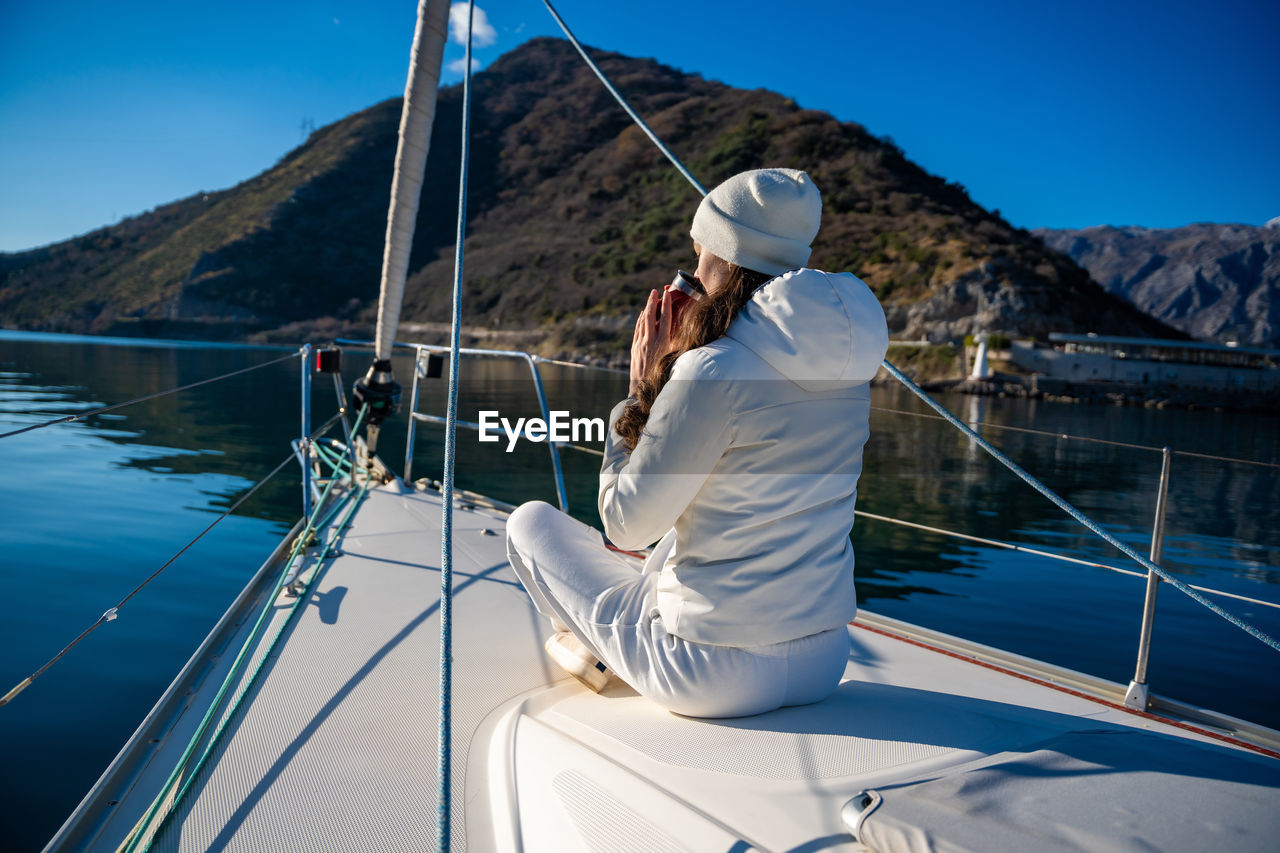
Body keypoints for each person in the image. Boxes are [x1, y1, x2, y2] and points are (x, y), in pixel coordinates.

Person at [505, 168, 889, 718]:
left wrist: (640, 396)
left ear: (727, 262)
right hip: (823, 659)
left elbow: (625, 527)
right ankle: (614, 643)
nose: (692, 271)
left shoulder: (711, 370)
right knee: (692, 517)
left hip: (707, 672)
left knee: (528, 524)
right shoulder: (850, 372)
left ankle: (596, 651)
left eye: (699, 253)